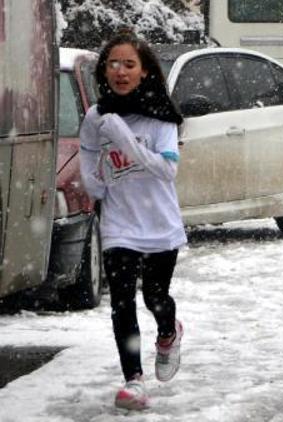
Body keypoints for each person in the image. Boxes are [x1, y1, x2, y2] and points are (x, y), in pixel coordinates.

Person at [79, 29, 186, 410]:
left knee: (155, 297)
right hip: (119, 225)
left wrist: (124, 138)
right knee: (121, 302)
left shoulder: (160, 117)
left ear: (144, 72)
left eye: (129, 64)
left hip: (159, 223)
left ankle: (168, 333)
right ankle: (133, 381)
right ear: (104, 71)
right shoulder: (97, 115)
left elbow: (166, 171)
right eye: (113, 64)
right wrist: (93, 183)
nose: (120, 72)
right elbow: (89, 150)